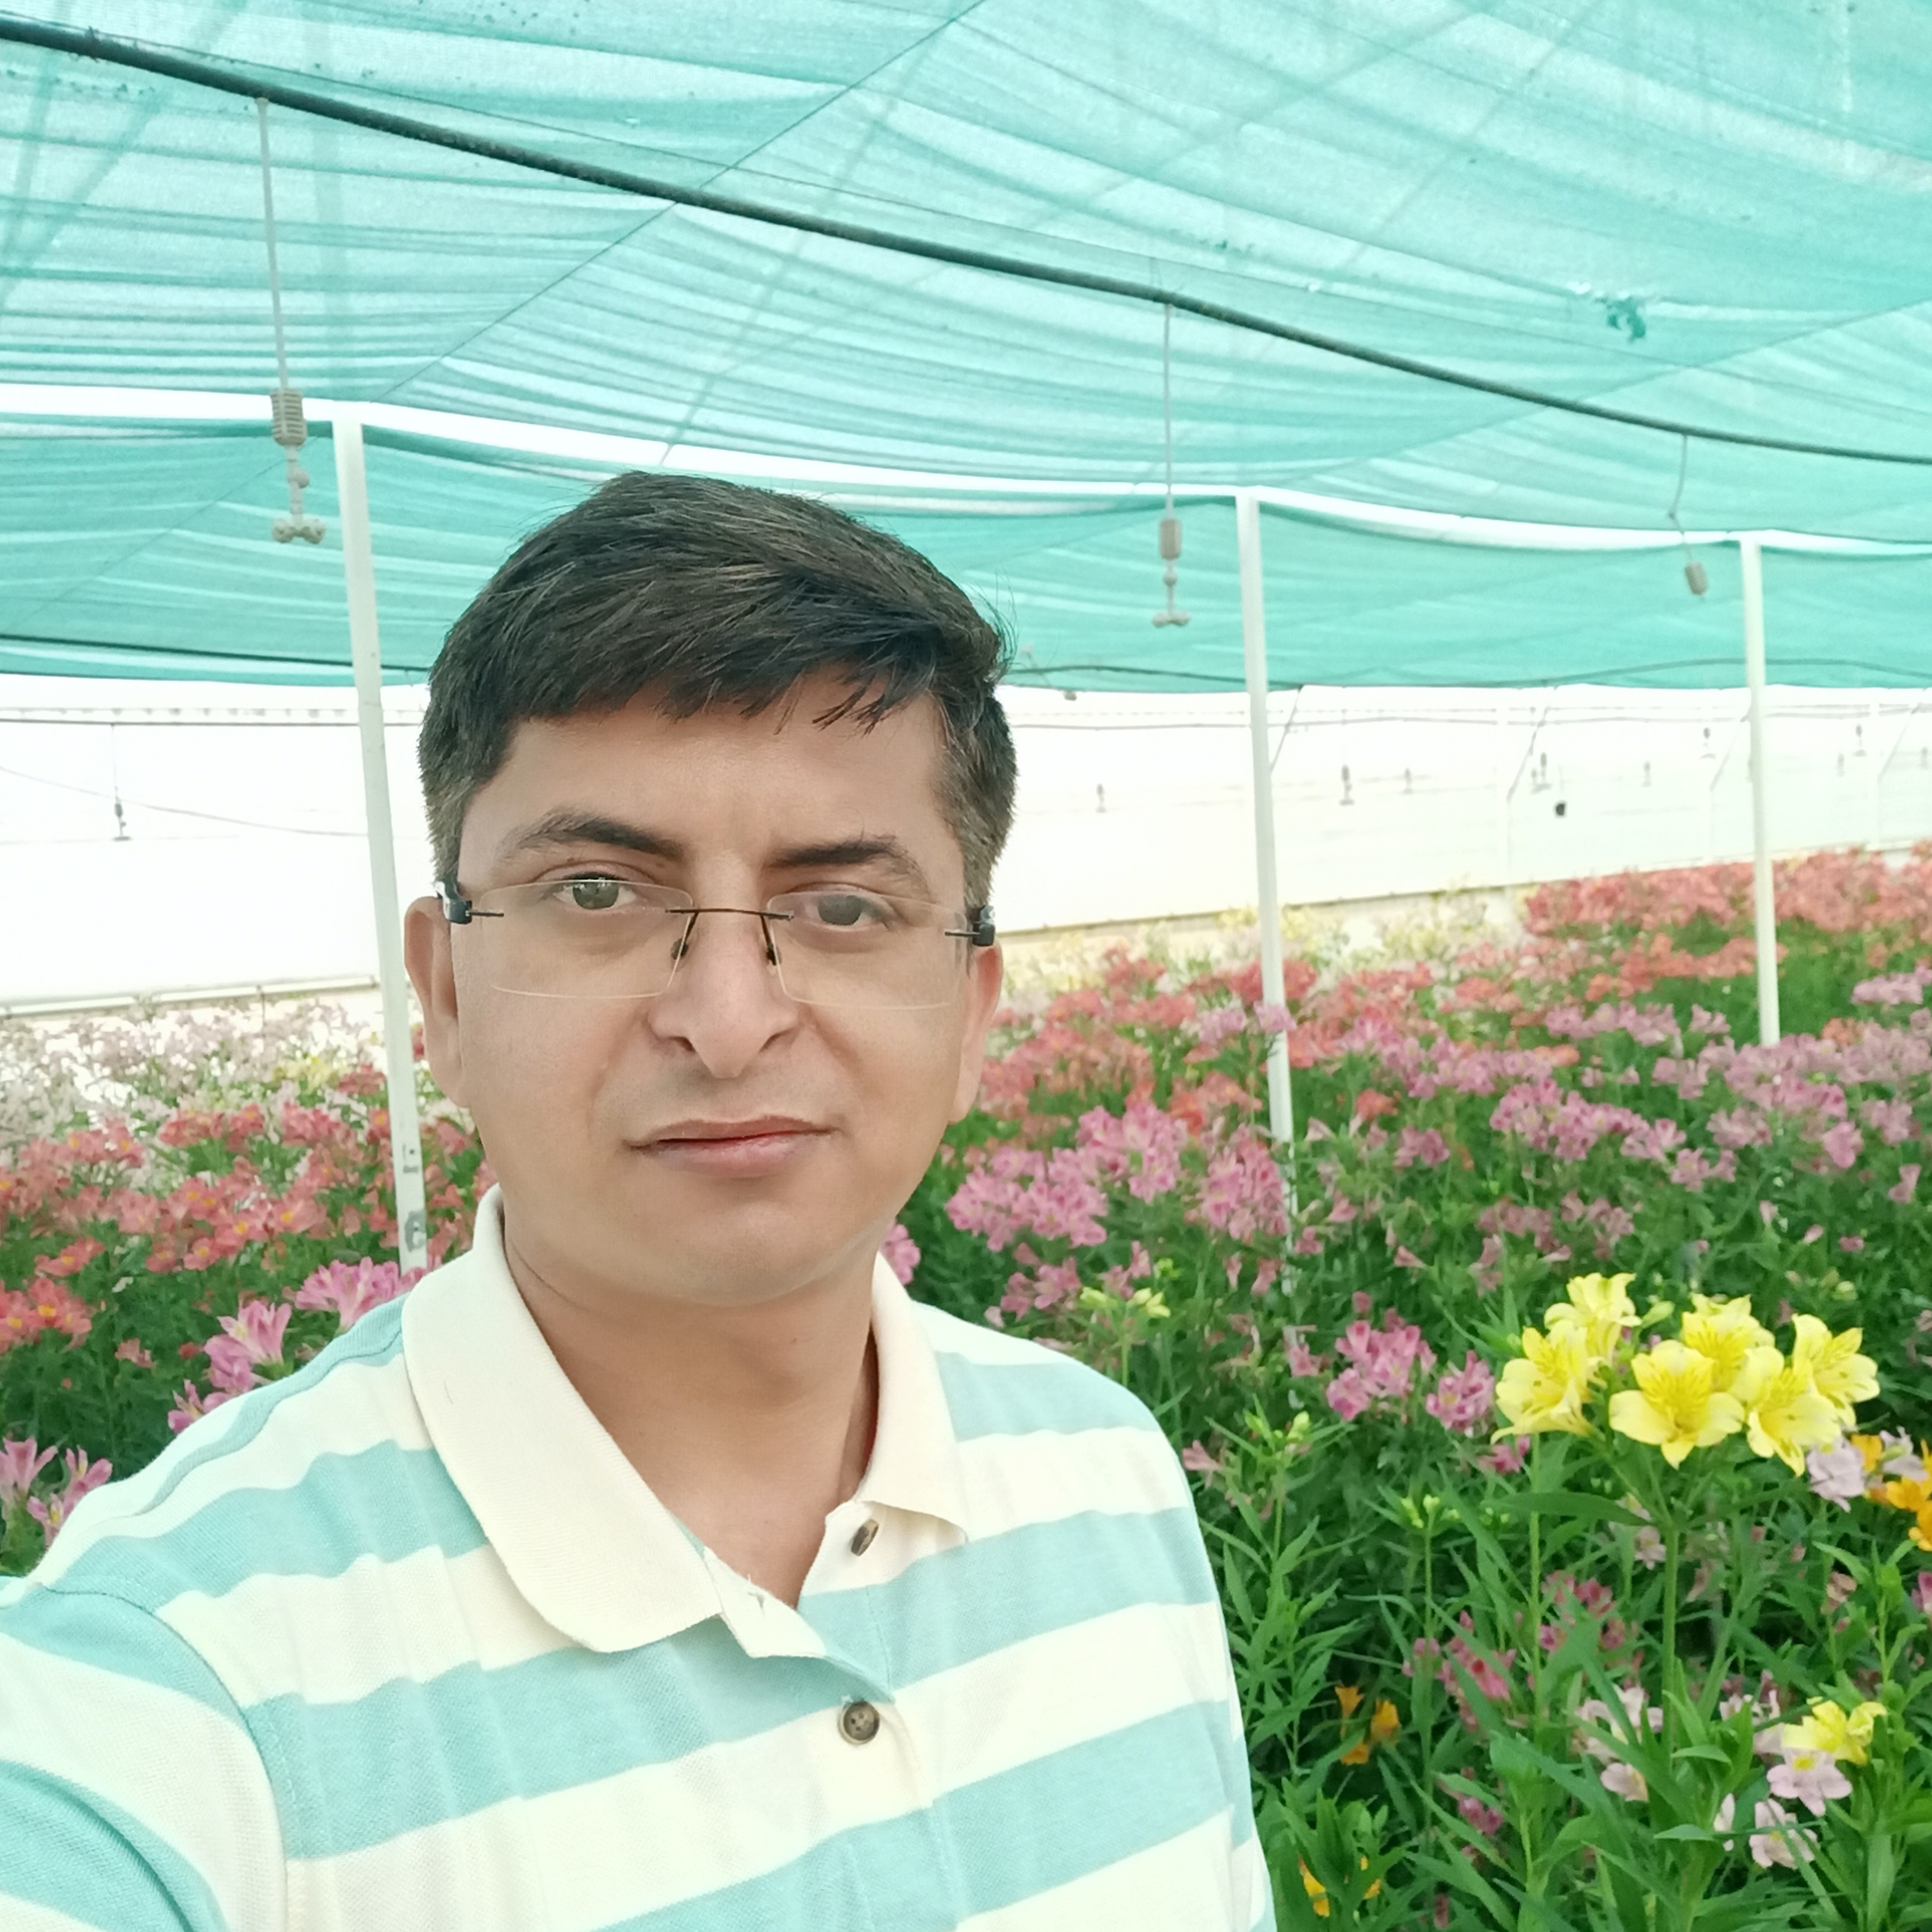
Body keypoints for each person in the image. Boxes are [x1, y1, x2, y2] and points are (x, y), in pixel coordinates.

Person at [0, 476, 1271, 1930]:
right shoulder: (166, 1678)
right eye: (599, 892)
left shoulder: (1110, 1474)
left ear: (973, 1009)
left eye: (842, 908)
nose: (727, 1023)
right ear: (443, 994)